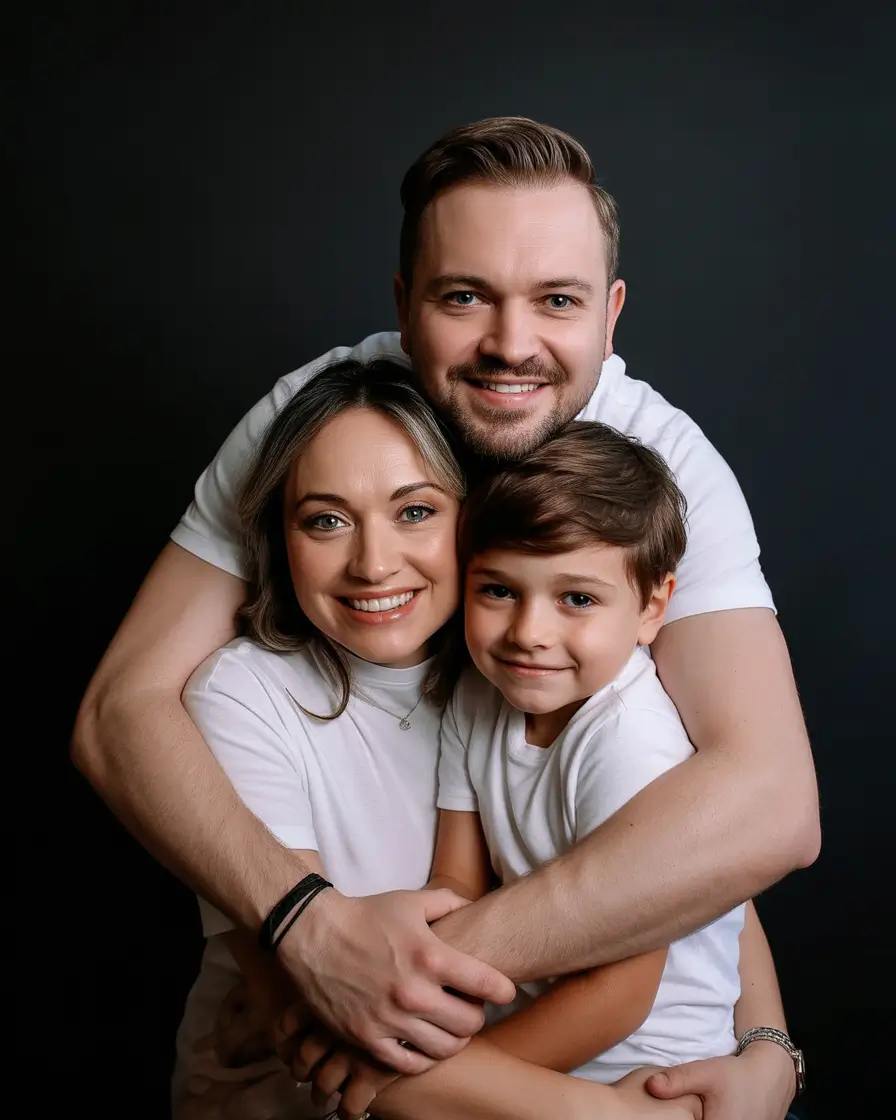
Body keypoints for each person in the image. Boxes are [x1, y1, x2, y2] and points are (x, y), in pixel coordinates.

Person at [73, 115, 817, 1115]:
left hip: (496, 1038)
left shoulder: (656, 468)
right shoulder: (325, 422)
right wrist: (306, 924)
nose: (510, 345)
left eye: (556, 300)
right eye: (463, 296)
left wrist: (764, 1038)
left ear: (610, 312)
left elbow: (745, 806)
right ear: (402, 305)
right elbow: (121, 708)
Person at [173, 359, 789, 1120]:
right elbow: (315, 1003)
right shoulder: (246, 698)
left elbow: (694, 880)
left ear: (468, 521)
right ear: (280, 534)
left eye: (416, 511)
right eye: (326, 519)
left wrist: (770, 1049)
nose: (373, 564)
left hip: (571, 1074)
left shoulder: (529, 681)